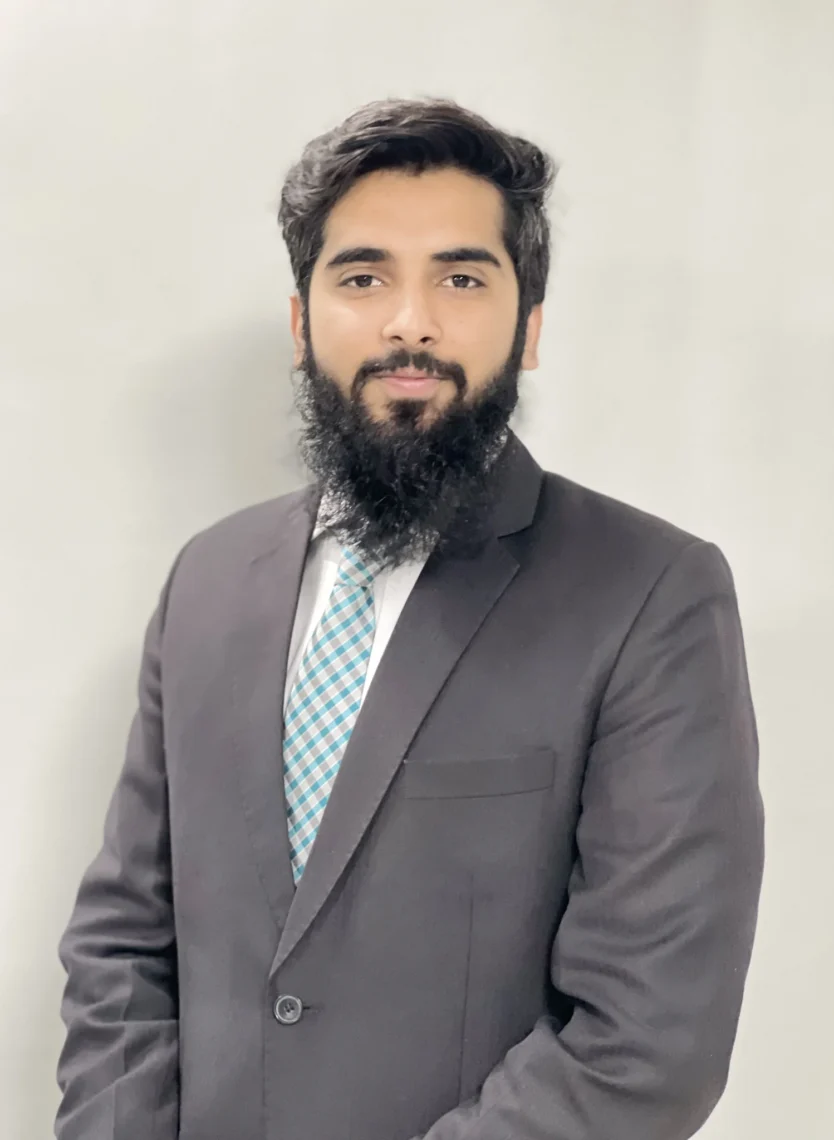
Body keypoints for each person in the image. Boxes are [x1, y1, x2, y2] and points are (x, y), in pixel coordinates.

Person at [55, 97, 765, 1140]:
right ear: (301, 323)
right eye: (363, 277)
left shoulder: (652, 593)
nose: (409, 322)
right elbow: (122, 943)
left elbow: (647, 1041)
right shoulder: (209, 579)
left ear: (529, 328)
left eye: (462, 279)